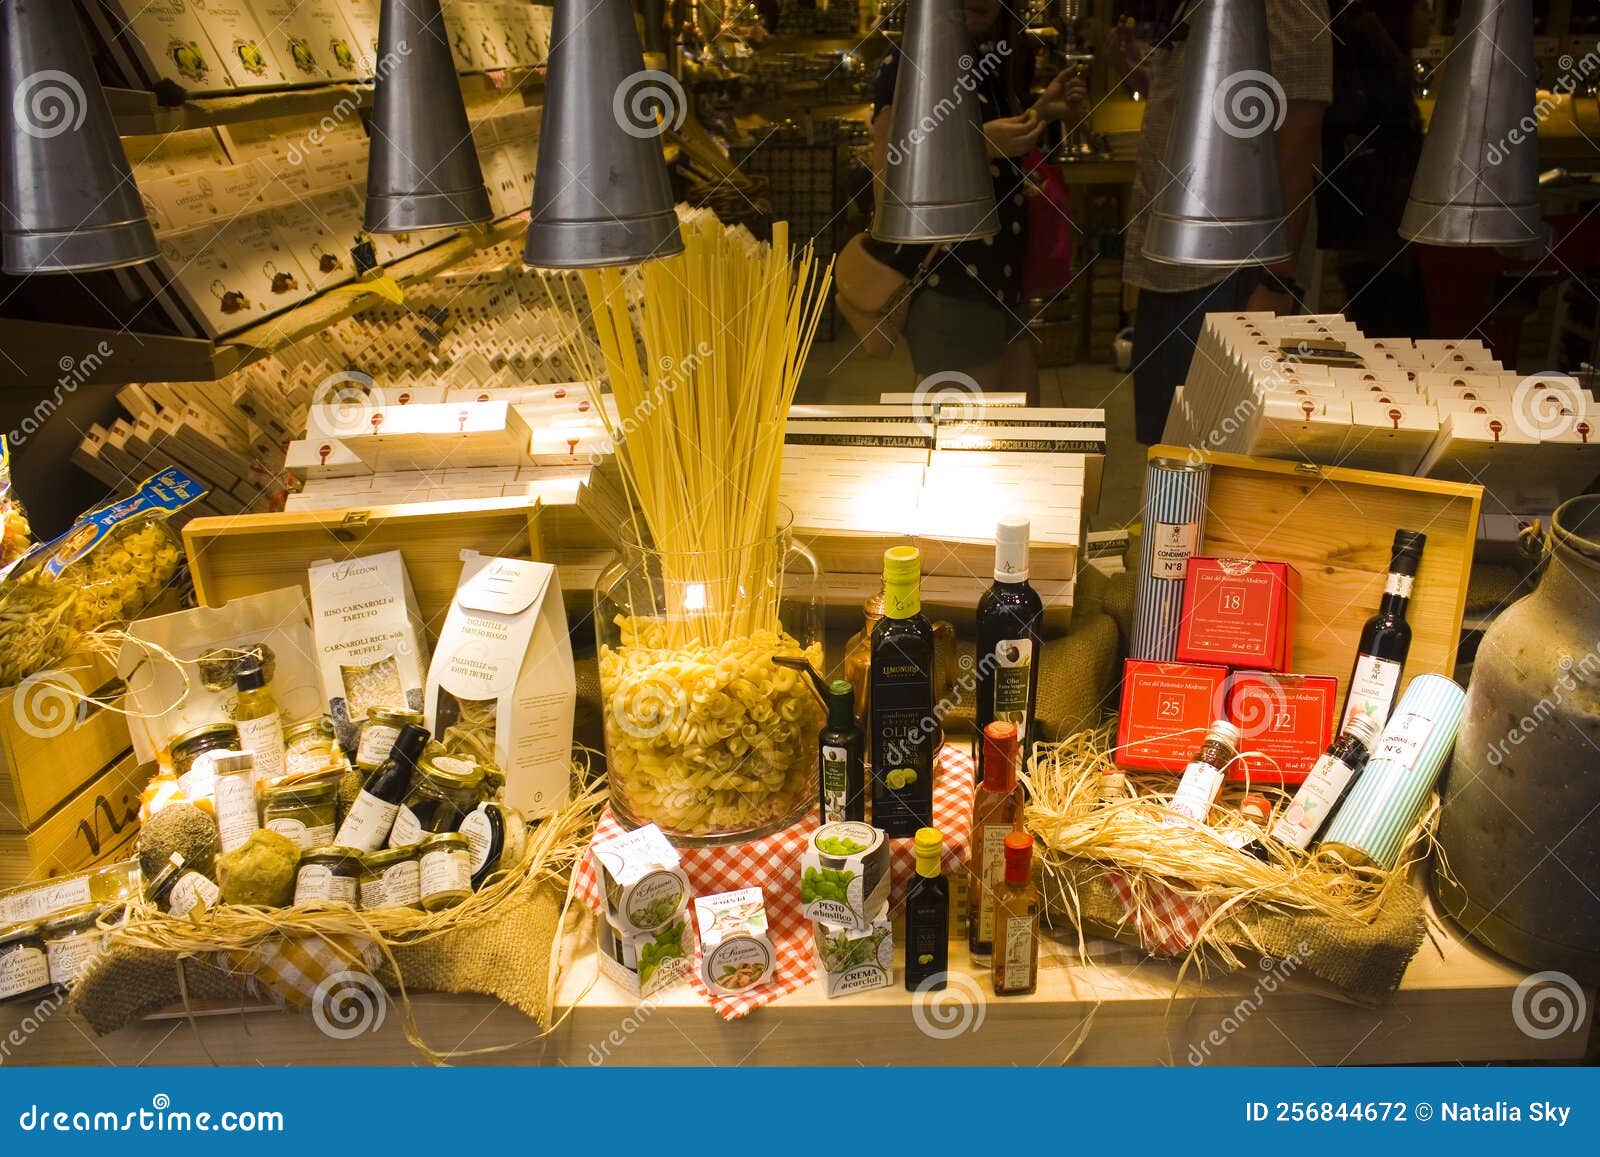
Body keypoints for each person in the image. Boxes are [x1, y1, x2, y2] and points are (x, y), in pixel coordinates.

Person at [1122, 0, 1333, 444]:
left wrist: (1276, 284)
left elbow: (1298, 134)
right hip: (1168, 265)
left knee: (1216, 453)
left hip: (1233, 273)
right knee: (1170, 447)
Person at [869, 0, 1085, 399]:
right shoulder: (913, 60)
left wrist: (1041, 113)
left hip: (1001, 280)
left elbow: (992, 142)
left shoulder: (984, 58)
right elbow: (890, 177)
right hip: (950, 281)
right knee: (968, 436)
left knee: (1015, 424)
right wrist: (979, 146)